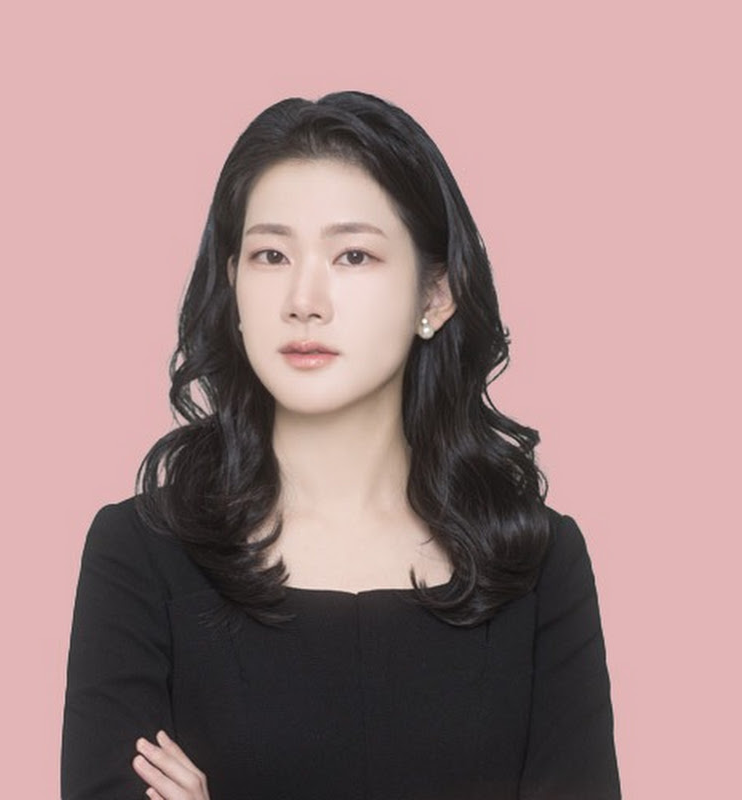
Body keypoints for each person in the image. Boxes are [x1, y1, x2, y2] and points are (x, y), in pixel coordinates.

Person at [61, 91, 621, 800]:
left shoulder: (537, 563)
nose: (304, 299)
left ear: (435, 295)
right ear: (232, 284)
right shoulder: (139, 555)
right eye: (270, 255)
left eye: (353, 255)